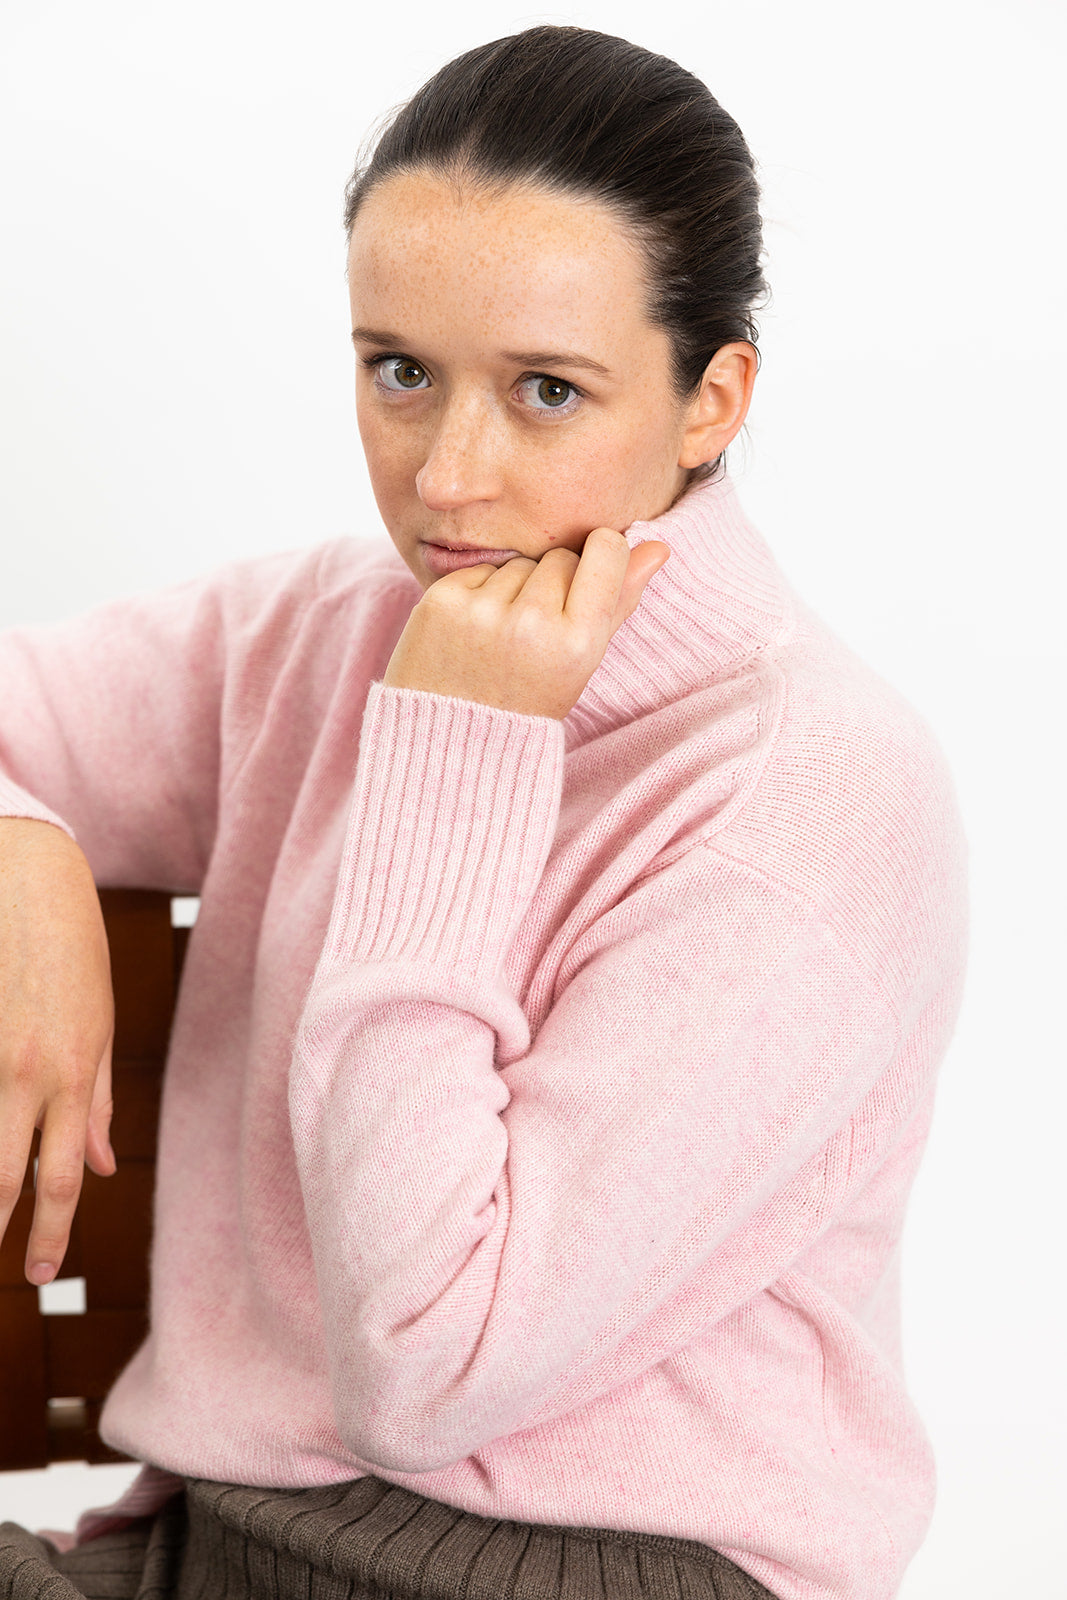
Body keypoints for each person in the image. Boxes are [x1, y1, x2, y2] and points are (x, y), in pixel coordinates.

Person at [0, 23, 968, 1600]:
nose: (449, 479)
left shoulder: (814, 806)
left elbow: (425, 1367)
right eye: (401, 372)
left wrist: (453, 755)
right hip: (215, 1549)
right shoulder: (314, 631)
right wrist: (24, 852)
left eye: (545, 392)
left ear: (711, 397)